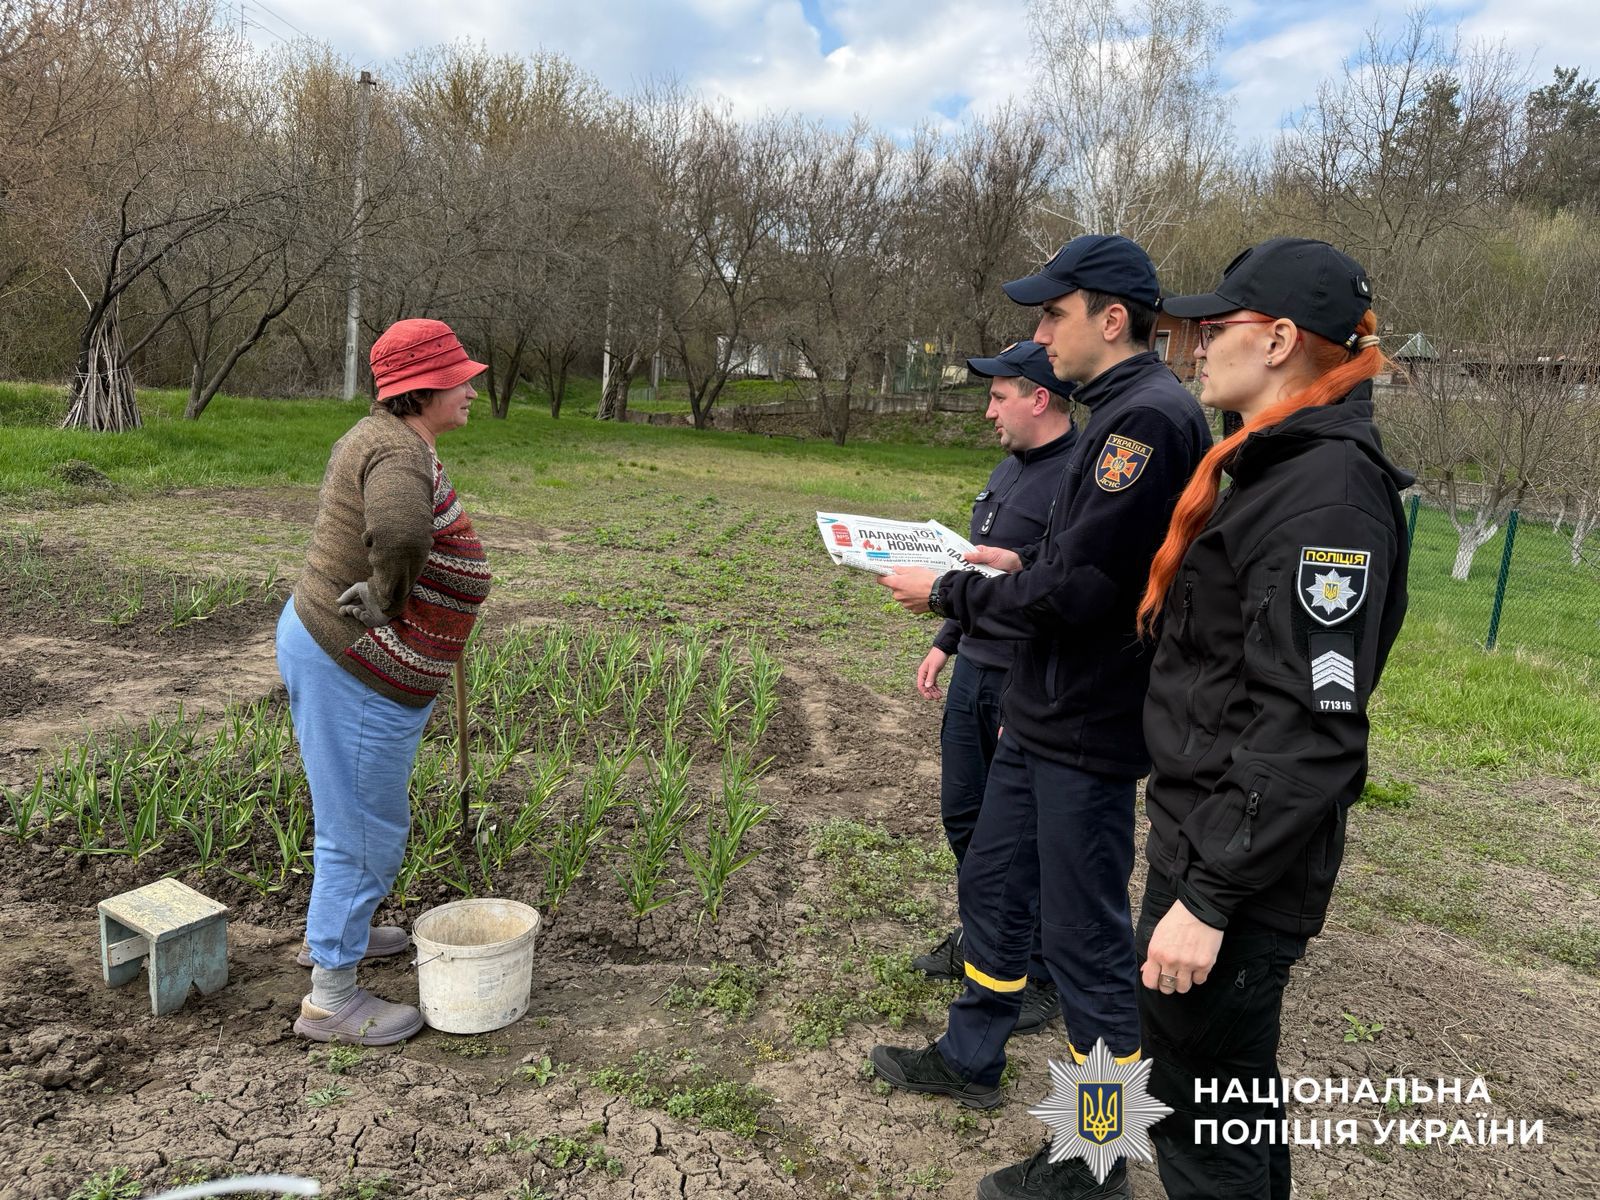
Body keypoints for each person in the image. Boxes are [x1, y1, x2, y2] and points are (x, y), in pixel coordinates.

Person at [872, 235, 1212, 1200]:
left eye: (1051, 315)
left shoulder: (1145, 422)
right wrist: (1014, 567)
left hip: (1086, 725)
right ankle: (972, 1057)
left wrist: (950, 592)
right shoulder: (1122, 414)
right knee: (992, 885)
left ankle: (1094, 1158)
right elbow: (1079, 570)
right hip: (1045, 710)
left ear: (1111, 318)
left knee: (1088, 947)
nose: (1039, 336)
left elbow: (1088, 596)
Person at [1135, 238, 1410, 1199]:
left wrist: (1207, 899)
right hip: (1208, 833)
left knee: (1203, 1123)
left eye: (1216, 329)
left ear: (1284, 339)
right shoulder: (1274, 468)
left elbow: (1311, 728)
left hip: (1238, 869)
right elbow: (1218, 670)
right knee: (1229, 1103)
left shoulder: (1327, 498)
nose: (1196, 347)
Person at [275, 317, 493, 1045]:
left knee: (350, 817)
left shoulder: (381, 438)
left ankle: (342, 932)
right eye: (461, 379)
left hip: (333, 651)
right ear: (425, 389)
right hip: (352, 662)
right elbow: (400, 534)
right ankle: (331, 998)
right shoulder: (398, 453)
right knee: (364, 833)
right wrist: (392, 600)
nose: (472, 389)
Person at [911, 341, 1076, 1037]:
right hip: (976, 664)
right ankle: (986, 942)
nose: (989, 412)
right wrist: (945, 641)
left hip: (1027, 677)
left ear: (1039, 397)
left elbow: (1059, 591)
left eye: (998, 397)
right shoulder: (1009, 469)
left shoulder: (1080, 477)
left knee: (1020, 835)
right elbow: (978, 570)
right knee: (966, 818)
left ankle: (1037, 968)